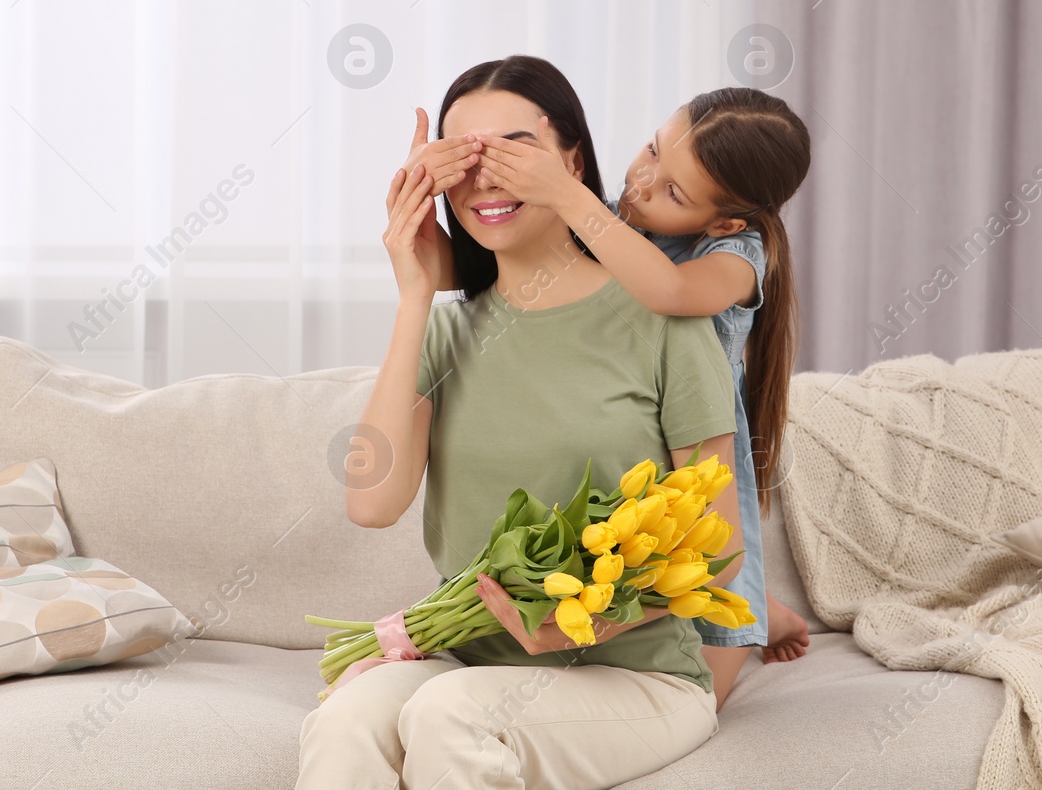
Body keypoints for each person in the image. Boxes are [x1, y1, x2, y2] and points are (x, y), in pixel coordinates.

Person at [295, 56, 745, 790]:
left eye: (511, 149)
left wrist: (587, 621)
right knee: (345, 718)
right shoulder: (446, 333)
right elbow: (371, 503)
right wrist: (414, 293)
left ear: (572, 158)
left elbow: (718, 550)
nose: (487, 178)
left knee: (449, 715)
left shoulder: (665, 324)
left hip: (637, 677)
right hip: (471, 666)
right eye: (461, 159)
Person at [402, 87, 815, 710]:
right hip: (659, 441)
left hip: (699, 439)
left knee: (722, 596)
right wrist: (434, 195)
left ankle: (766, 616)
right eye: (651, 149)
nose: (643, 183)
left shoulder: (736, 254)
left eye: (675, 191)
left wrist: (568, 195)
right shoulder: (622, 217)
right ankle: (768, 609)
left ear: (726, 219)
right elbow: (492, 267)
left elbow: (670, 290)